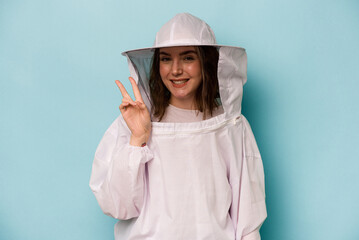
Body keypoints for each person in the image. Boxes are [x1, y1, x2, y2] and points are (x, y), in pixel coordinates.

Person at [89, 13, 267, 240]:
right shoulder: (134, 123)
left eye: (188, 58)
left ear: (207, 63)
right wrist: (137, 139)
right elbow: (118, 206)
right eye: (165, 59)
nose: (175, 70)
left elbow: (248, 215)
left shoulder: (231, 125)